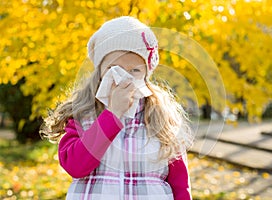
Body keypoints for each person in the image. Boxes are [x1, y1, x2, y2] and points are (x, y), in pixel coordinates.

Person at [41, 16, 193, 200]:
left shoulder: (161, 118)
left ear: (146, 73)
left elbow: (180, 184)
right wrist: (112, 115)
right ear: (100, 72)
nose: (124, 78)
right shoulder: (83, 115)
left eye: (135, 70)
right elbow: (75, 166)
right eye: (114, 69)